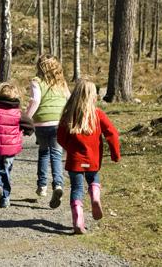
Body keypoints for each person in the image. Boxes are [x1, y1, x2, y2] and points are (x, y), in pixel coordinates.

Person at [57, 78, 120, 234]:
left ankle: (78, 218)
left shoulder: (68, 115)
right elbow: (112, 133)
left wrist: (69, 148)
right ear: (93, 96)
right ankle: (95, 196)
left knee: (76, 188)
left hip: (74, 161)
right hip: (92, 160)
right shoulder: (97, 114)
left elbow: (60, 137)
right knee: (93, 179)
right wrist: (115, 154)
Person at [26, 54, 70, 209]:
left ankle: (42, 186)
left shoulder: (36, 81)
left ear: (40, 66)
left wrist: (26, 118)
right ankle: (58, 185)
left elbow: (35, 100)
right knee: (56, 155)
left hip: (41, 123)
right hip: (58, 123)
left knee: (43, 152)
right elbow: (68, 99)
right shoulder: (62, 83)